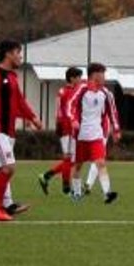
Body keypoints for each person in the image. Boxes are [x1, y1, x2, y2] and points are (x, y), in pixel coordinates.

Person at [0, 40, 43, 221]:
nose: (20, 56)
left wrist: (32, 117)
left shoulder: (12, 77)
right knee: (8, 167)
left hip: (8, 131)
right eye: (18, 52)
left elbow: (19, 101)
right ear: (8, 54)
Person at [67, 63, 121, 204]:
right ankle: (77, 193)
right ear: (94, 75)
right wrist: (73, 120)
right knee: (78, 166)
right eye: (102, 73)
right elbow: (70, 105)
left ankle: (107, 193)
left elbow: (113, 113)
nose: (104, 77)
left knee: (100, 163)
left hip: (97, 135)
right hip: (81, 135)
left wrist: (116, 130)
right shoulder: (82, 90)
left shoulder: (106, 94)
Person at [38, 66, 83, 195]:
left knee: (71, 160)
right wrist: (61, 125)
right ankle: (66, 188)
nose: (80, 79)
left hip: (69, 128)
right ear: (72, 78)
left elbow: (59, 110)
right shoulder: (68, 92)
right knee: (69, 160)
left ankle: (46, 176)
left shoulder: (64, 91)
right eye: (79, 77)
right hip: (68, 128)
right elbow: (62, 111)